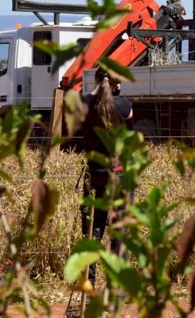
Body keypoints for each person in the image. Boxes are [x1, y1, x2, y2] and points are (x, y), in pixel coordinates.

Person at [79, 67, 133, 286]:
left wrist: (94, 90)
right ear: (117, 84)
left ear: (96, 80)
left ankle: (89, 283)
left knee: (92, 230)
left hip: (95, 174)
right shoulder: (125, 106)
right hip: (120, 174)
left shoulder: (83, 104)